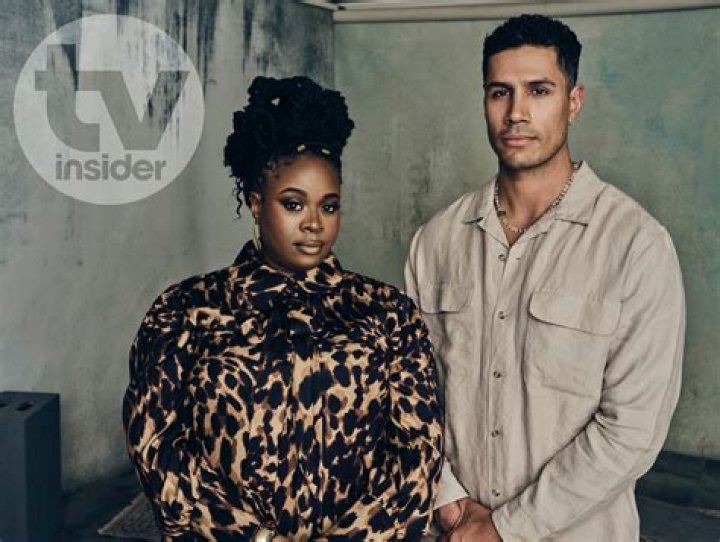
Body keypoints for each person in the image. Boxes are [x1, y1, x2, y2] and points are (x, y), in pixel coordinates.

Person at [123, 75, 443, 541]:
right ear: (256, 204)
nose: (314, 223)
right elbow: (156, 447)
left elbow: (418, 454)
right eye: (293, 204)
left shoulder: (387, 314)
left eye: (329, 206)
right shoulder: (184, 313)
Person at [404, 14, 685, 542]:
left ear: (573, 102)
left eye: (539, 90)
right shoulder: (435, 242)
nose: (516, 112)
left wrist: (505, 528)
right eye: (500, 92)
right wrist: (448, 500)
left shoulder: (636, 246)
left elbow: (631, 430)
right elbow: (410, 395)